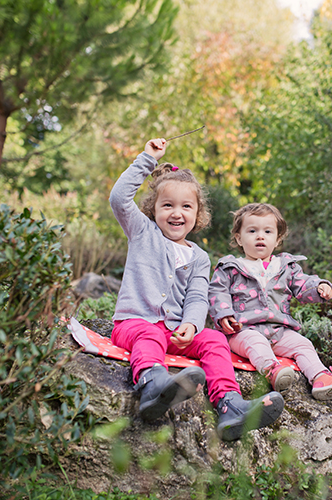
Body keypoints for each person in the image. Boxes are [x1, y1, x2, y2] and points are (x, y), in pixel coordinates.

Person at [109, 139, 284, 441]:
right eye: (168, 205)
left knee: (215, 339)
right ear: (153, 209)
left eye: (186, 206)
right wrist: (148, 158)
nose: (177, 213)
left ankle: (230, 404)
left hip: (176, 332)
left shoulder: (199, 257)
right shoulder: (142, 232)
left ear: (197, 213)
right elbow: (118, 198)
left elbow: (197, 296)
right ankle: (153, 384)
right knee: (149, 334)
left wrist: (190, 324)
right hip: (133, 324)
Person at [208, 203, 332, 400]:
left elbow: (303, 285)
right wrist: (224, 314)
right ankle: (272, 371)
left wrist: (319, 287)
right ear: (239, 238)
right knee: (256, 342)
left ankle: (320, 379)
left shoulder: (286, 267)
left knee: (303, 344)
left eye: (267, 231)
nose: (260, 236)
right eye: (252, 231)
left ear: (277, 239)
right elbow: (217, 291)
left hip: (279, 331)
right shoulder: (231, 267)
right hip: (242, 331)